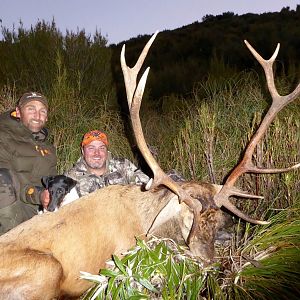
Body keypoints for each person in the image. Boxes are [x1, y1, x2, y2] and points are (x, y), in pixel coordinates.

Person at [0, 92, 57, 234]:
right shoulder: (3, 137)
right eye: (31, 109)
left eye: (42, 111)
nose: (37, 116)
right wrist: (38, 195)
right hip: (11, 208)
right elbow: (7, 179)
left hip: (38, 212)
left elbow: (52, 181)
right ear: (18, 112)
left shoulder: (48, 149)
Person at [64, 130, 149, 197]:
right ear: (83, 151)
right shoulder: (70, 178)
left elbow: (146, 188)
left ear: (106, 151)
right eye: (91, 148)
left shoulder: (123, 165)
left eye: (101, 148)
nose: (96, 153)